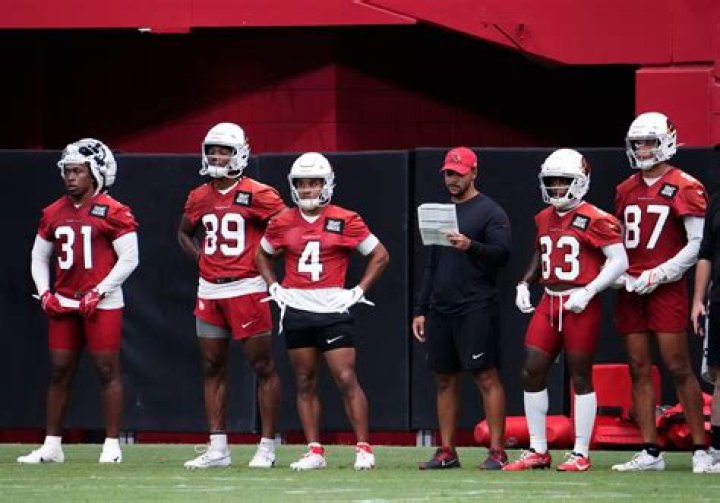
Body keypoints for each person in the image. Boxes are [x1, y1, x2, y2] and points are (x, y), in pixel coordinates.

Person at [256, 152, 389, 471]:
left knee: (345, 377)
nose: (307, 189)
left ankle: (363, 448)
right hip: (297, 308)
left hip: (332, 308)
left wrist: (358, 291)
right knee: (304, 380)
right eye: (302, 184)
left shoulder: (346, 219)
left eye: (314, 183)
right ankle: (314, 450)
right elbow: (262, 254)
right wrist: (273, 286)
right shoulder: (282, 221)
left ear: (326, 184)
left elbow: (380, 255)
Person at [503, 149, 627, 472]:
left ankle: (581, 452)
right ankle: (538, 449)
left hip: (580, 302)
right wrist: (524, 282)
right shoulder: (545, 217)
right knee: (531, 370)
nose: (557, 188)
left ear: (581, 181)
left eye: (563, 181)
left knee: (580, 376)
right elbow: (542, 250)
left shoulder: (596, 218)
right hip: (549, 300)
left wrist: (589, 291)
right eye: (552, 182)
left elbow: (619, 262)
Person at [18, 139, 139, 464]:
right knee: (59, 371)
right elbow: (38, 256)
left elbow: (130, 258)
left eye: (78, 171)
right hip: (65, 301)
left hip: (102, 302)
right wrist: (45, 292)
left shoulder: (114, 210)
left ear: (96, 173)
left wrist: (99, 291)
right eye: (67, 171)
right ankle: (52, 445)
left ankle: (111, 444)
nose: (70, 177)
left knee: (107, 370)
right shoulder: (53, 211)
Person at [178, 122, 285, 469]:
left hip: (247, 286)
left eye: (223, 151)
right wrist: (202, 259)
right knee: (212, 366)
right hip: (210, 288)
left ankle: (267, 446)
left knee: (262, 365)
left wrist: (263, 259)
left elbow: (287, 229)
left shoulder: (259, 193)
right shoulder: (199, 195)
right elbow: (184, 232)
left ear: (239, 154)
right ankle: (218, 448)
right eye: (212, 150)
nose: (216, 157)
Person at [610, 112, 713, 472]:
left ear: (666, 142)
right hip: (631, 288)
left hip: (665, 287)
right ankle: (650, 450)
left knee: (678, 366)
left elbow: (697, 243)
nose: (642, 149)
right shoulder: (625, 188)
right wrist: (618, 273)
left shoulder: (685, 185)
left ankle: (701, 448)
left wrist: (660, 273)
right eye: (637, 143)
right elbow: (618, 240)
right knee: (638, 367)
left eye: (649, 142)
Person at [412, 147, 510, 470]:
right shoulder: (441, 212)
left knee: (485, 376)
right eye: (448, 174)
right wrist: (421, 308)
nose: (452, 179)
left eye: (458, 173)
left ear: (474, 173)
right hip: (442, 308)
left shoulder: (490, 212)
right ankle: (447, 451)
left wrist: (471, 246)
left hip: (476, 305)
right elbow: (432, 264)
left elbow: (503, 255)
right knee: (443, 379)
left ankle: (497, 451)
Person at [690, 190, 720, 472]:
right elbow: (706, 254)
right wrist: (698, 299)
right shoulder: (716, 202)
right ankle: (719, 449)